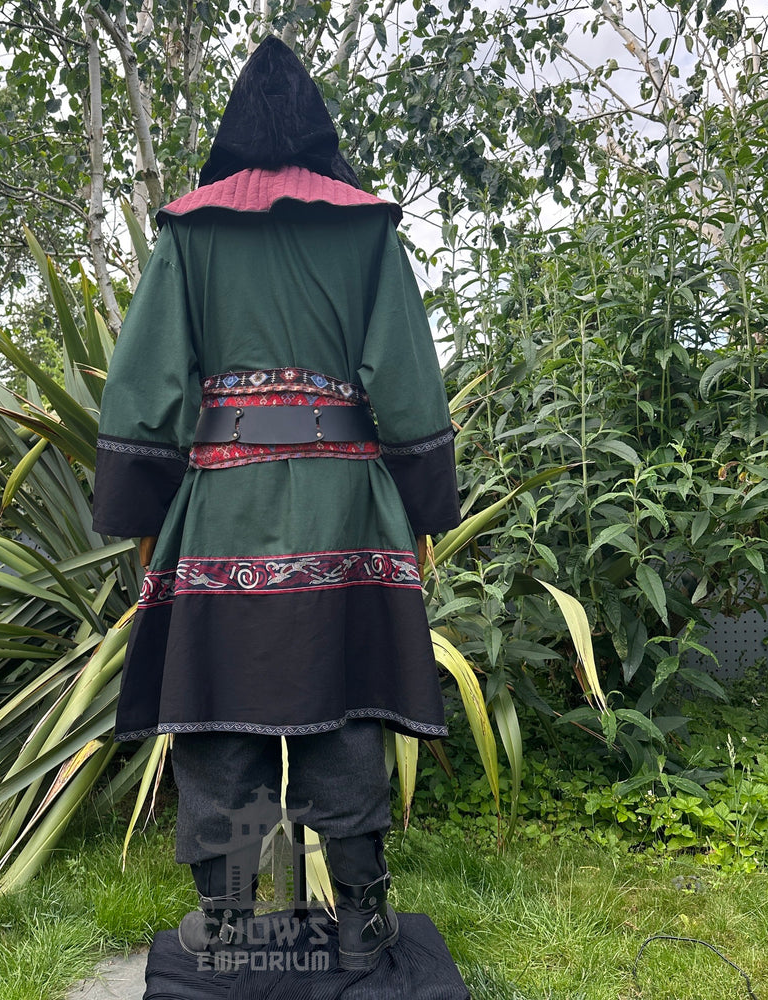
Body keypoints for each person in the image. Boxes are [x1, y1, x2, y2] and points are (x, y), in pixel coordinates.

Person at [93, 37, 459, 973]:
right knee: (348, 705)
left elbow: (145, 387)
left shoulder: (190, 230)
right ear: (319, 126)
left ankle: (223, 923)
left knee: (218, 709)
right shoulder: (369, 228)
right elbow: (409, 382)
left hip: (223, 505)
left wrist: (142, 505)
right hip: (347, 512)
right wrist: (423, 499)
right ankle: (365, 920)